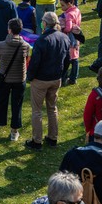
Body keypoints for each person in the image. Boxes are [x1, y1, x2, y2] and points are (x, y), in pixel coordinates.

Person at [26, 12, 70, 150]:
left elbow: (35, 62)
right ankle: (53, 137)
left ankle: (37, 140)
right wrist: (61, 74)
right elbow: (67, 60)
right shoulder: (64, 38)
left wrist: (30, 76)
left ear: (44, 23)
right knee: (52, 108)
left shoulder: (42, 40)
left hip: (41, 79)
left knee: (37, 111)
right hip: (55, 78)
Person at [0, 18, 30, 141]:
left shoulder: (1, 45)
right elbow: (26, 60)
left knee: (0, 102)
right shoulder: (25, 46)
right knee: (17, 105)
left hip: (5, 78)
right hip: (20, 79)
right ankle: (14, 132)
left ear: (9, 29)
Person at [59, 0, 81, 85]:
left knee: (67, 59)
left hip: (69, 38)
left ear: (69, 4)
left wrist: (62, 29)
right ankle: (74, 78)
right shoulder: (77, 10)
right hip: (76, 37)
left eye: (63, 5)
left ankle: (65, 78)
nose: (61, 7)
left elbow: (68, 28)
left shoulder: (69, 14)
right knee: (75, 58)